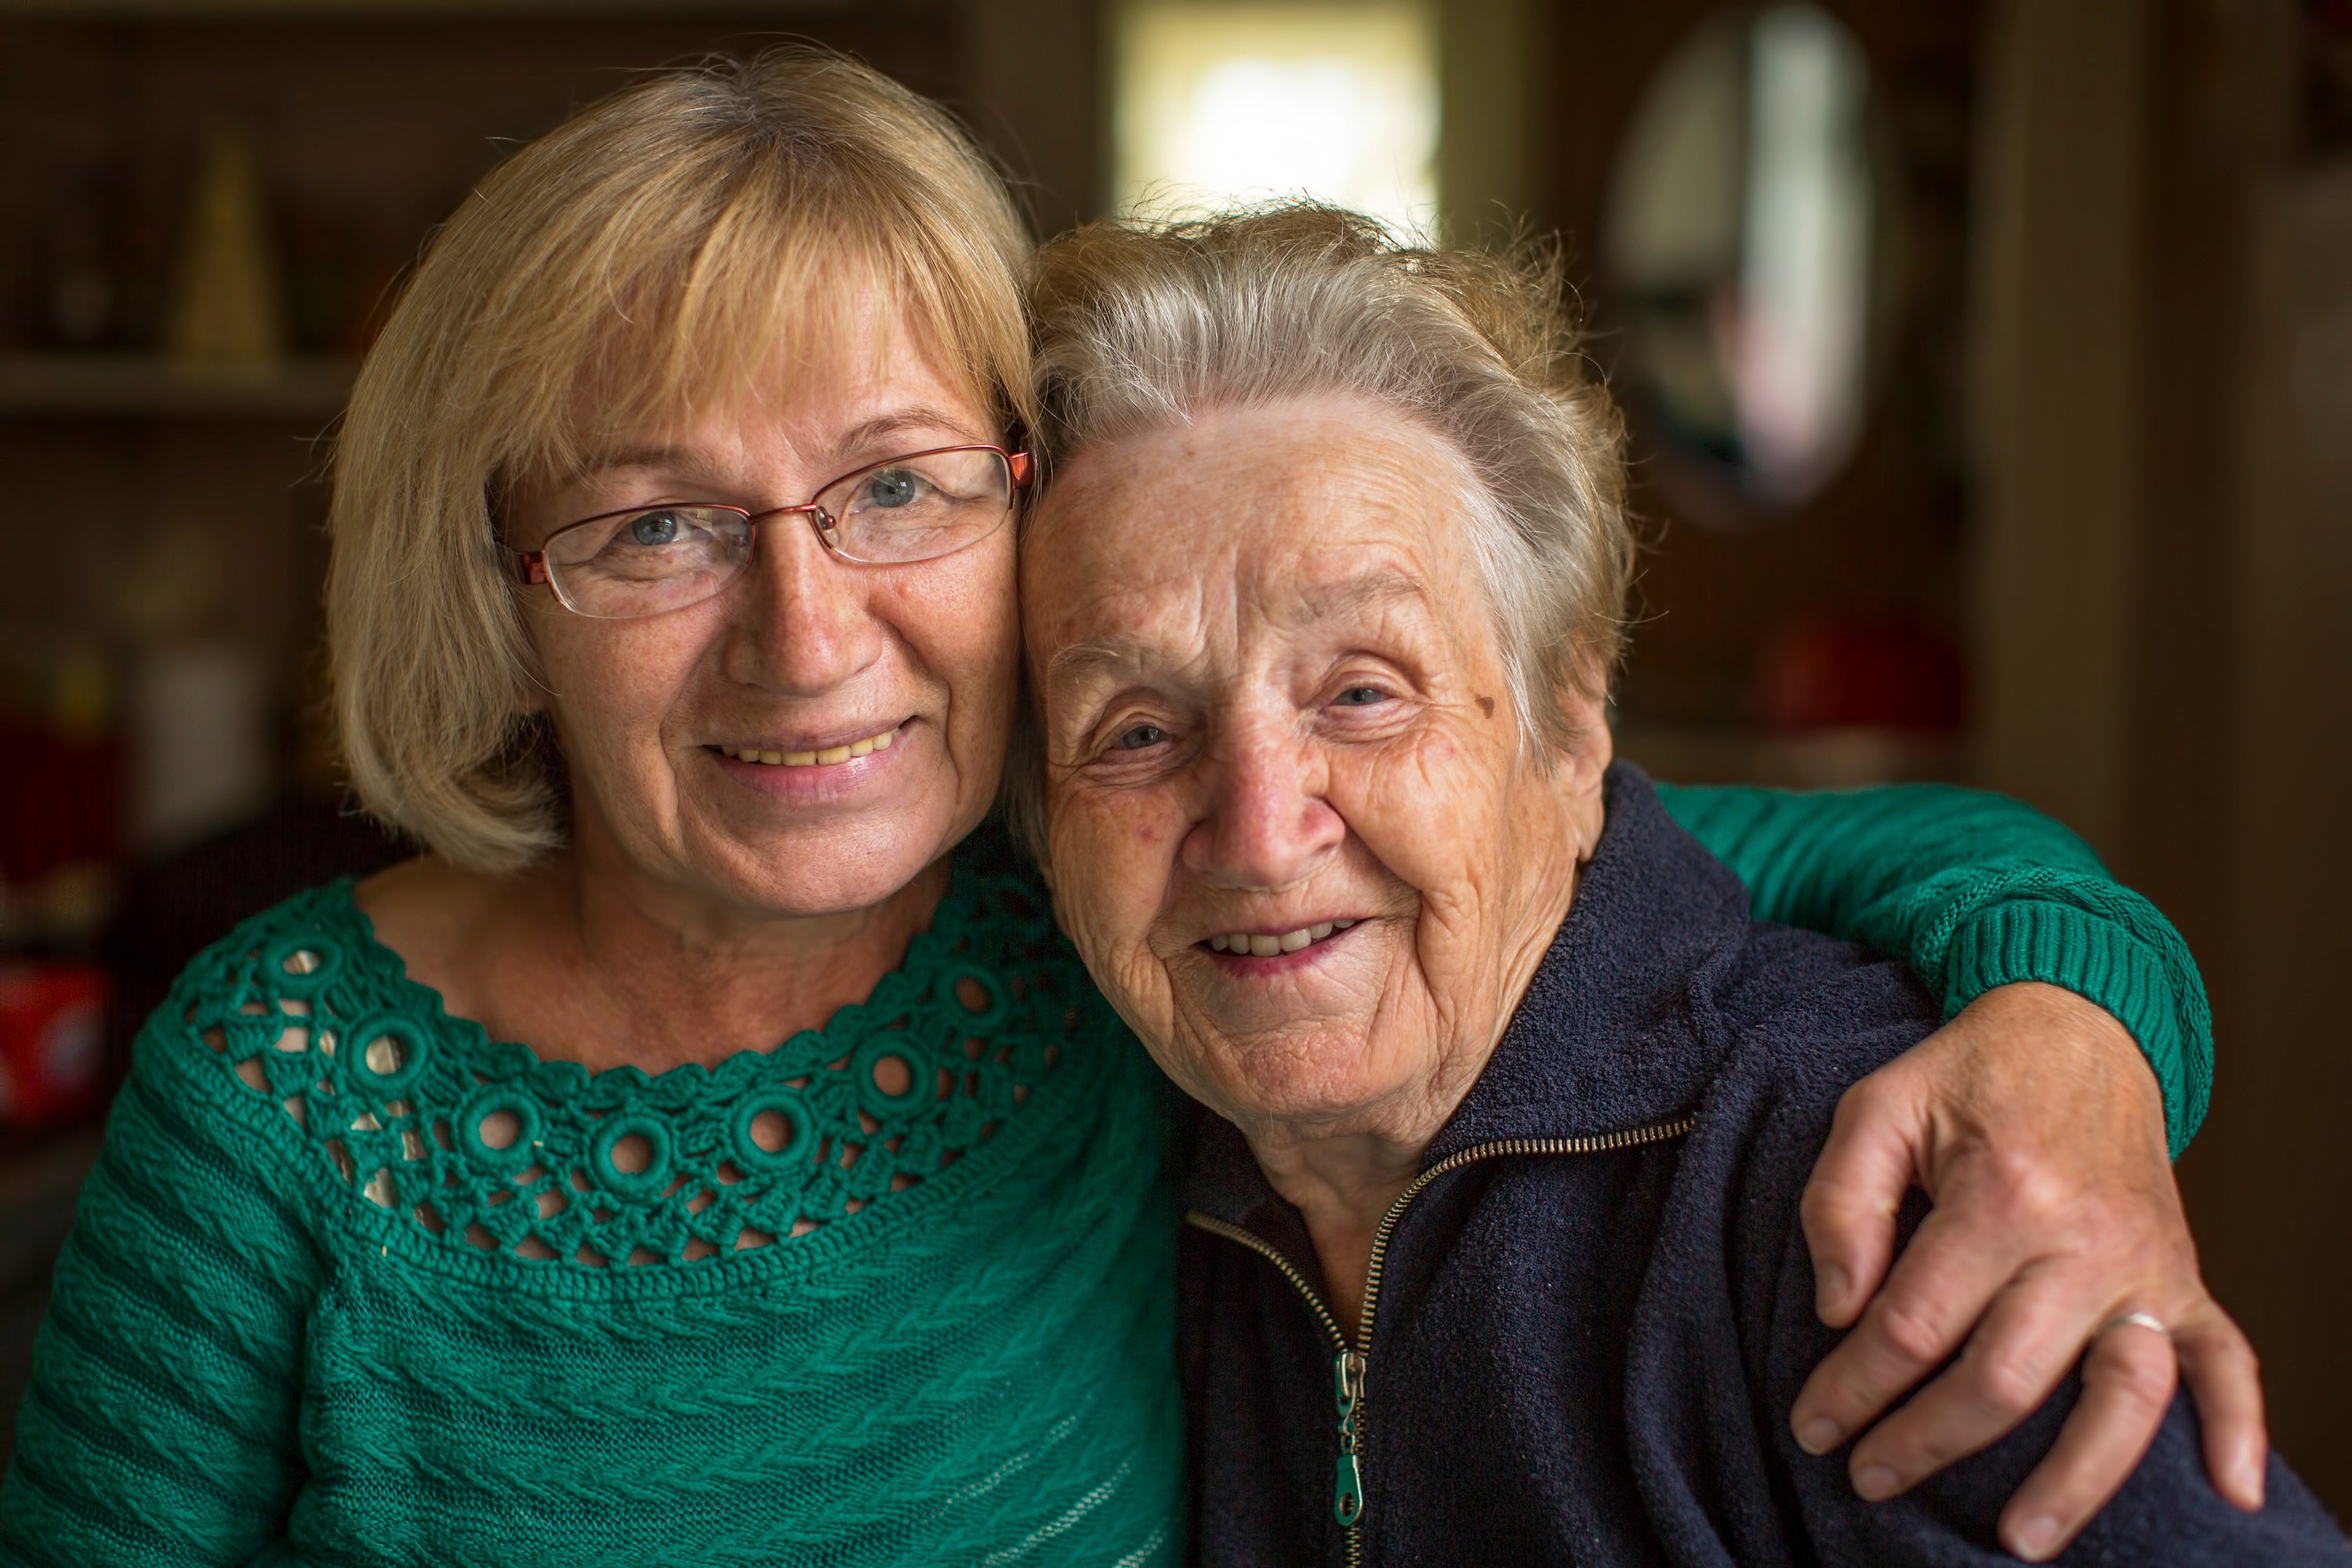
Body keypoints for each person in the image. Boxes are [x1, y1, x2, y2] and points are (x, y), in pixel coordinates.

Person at [0, 53, 2256, 1566]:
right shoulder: (280, 1092)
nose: (806, 640)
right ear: (499, 588)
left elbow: (1810, 858)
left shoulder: (1099, 905)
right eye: (655, 529)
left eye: (894, 490)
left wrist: (2084, 1043)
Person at [1015, 202, 2339, 1564]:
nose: (1255, 830)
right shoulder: (1095, 1153)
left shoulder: (1837, 1183)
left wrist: (2082, 1018)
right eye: (1136, 732)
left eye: (1363, 692)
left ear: (1572, 721)